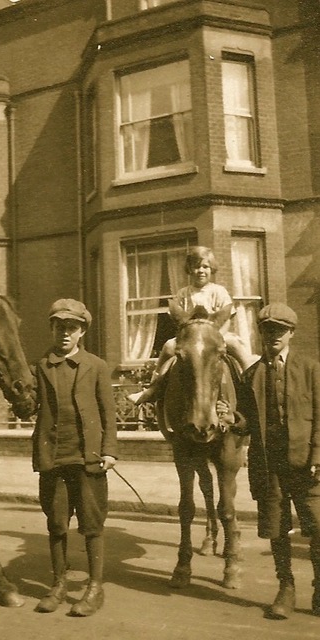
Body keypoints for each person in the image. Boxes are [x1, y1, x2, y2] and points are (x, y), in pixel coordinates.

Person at [32, 298, 118, 616]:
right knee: (56, 523)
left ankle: (95, 588)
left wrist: (109, 450)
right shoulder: (41, 366)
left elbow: (109, 414)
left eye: (71, 328)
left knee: (92, 524)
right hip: (54, 456)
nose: (65, 334)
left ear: (82, 331)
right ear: (52, 328)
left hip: (88, 457)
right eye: (59, 327)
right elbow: (30, 406)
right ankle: (58, 584)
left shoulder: (96, 366)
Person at [239, 303, 320, 619]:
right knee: (277, 528)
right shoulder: (252, 374)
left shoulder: (311, 369)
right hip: (269, 465)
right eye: (268, 329)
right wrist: (231, 417)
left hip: (306, 465)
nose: (274, 335)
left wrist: (318, 457)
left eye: (280, 330)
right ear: (262, 333)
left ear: (291, 333)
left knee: (318, 526)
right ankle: (285, 588)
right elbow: (245, 421)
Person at [129, 246, 257, 405]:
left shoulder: (218, 291)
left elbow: (227, 319)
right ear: (189, 269)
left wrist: (219, 337)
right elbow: (179, 320)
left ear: (212, 269)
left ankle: (252, 380)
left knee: (235, 345)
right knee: (169, 346)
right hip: (190, 339)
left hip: (216, 336)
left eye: (205, 266)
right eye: (196, 267)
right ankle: (152, 388)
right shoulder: (183, 293)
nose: (201, 271)